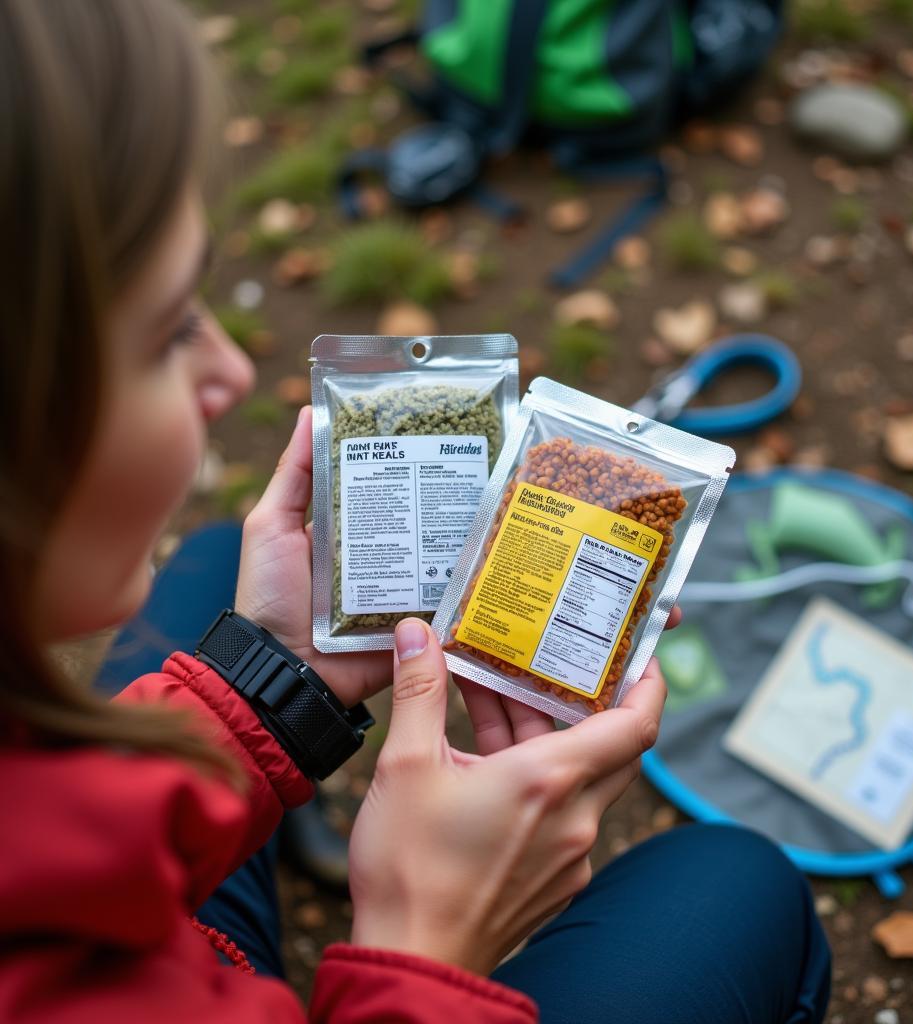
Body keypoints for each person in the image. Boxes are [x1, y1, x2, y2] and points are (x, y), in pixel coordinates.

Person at [0, 1, 831, 1022]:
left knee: (220, 563)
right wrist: (425, 941)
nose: (228, 369)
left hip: (148, 919)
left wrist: (271, 700)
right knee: (739, 889)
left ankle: (276, 802)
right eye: (170, 329)